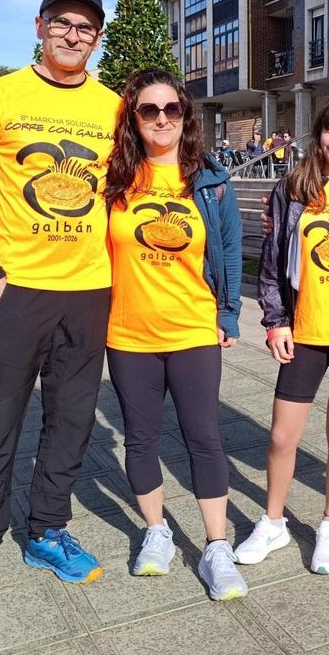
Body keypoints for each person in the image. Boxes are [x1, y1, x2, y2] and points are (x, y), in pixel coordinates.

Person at [0, 0, 118, 619]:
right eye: (63, 23)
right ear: (39, 26)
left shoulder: (115, 107)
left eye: (86, 28)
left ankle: (46, 531)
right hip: (17, 291)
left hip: (88, 290)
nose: (74, 36)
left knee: (72, 422)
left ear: (97, 37)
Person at [103, 68, 247, 600]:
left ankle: (216, 547)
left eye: (172, 109)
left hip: (192, 330)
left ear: (185, 116)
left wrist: (227, 314)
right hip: (128, 334)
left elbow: (229, 250)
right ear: (133, 118)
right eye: (149, 109)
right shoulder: (115, 180)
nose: (162, 118)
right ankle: (157, 531)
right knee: (140, 438)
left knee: (203, 437)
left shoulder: (210, 180)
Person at [237, 94, 329, 575]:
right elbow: (273, 260)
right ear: (319, 132)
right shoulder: (294, 186)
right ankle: (273, 521)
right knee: (282, 436)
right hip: (305, 328)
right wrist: (275, 320)